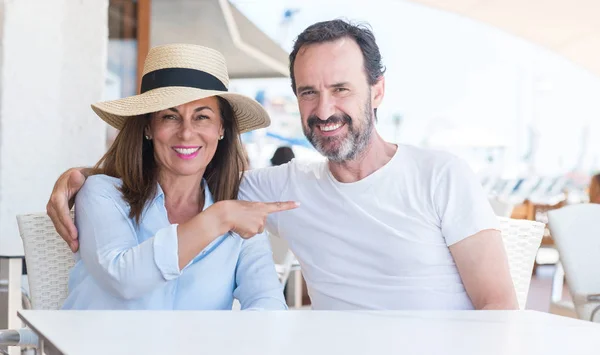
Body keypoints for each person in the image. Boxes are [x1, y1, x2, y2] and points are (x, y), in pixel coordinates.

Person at [48, 20, 517, 310]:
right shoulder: (266, 195)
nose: (324, 108)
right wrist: (86, 178)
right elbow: (181, 176)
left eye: (341, 89)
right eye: (308, 92)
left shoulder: (441, 174)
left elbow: (498, 306)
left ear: (377, 91)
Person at [60, 44, 295, 310]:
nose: (186, 133)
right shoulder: (102, 193)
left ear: (221, 129)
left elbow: (269, 303)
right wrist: (218, 218)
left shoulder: (236, 211)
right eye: (170, 116)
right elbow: (124, 279)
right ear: (148, 126)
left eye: (202, 117)